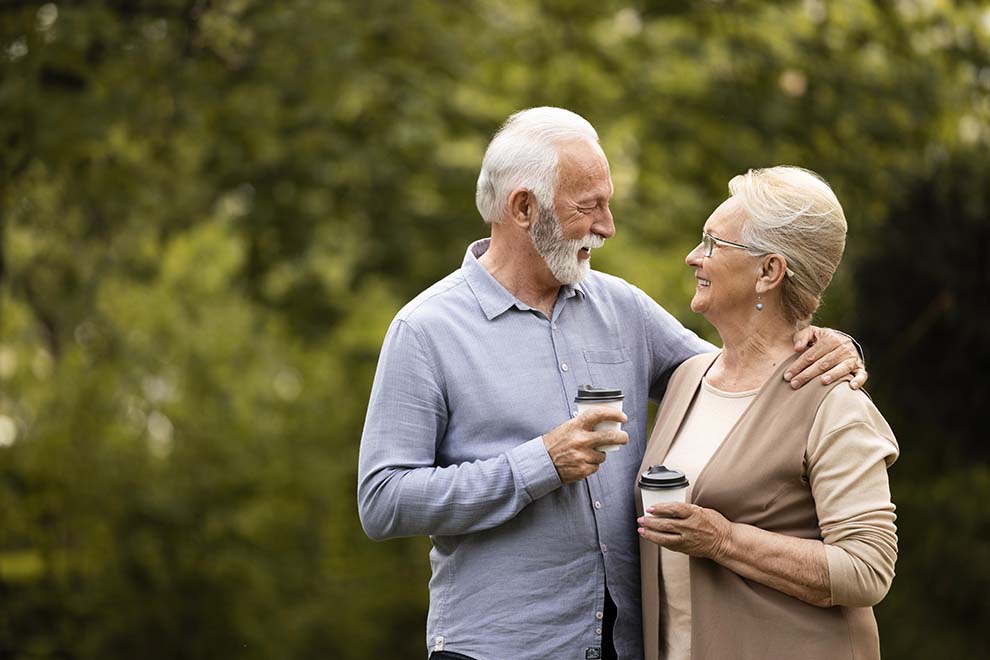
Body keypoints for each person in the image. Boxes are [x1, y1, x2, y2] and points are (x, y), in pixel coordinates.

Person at [357, 108, 865, 660]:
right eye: (588, 207)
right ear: (524, 207)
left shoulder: (622, 307)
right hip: (497, 648)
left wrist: (828, 347)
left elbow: (741, 379)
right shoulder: (426, 330)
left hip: (625, 647)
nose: (607, 226)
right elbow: (383, 501)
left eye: (608, 202)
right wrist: (538, 466)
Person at [636, 166, 897, 660]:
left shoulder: (832, 399)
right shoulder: (688, 376)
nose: (694, 256)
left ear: (769, 272)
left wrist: (725, 540)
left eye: (713, 243)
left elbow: (868, 568)